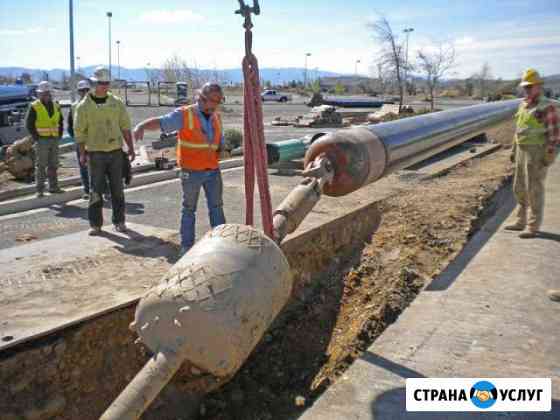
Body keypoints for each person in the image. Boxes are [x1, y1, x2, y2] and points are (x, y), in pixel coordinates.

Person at [133, 82, 226, 255]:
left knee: (217, 207)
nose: (216, 105)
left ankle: (220, 245)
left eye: (219, 101)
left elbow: (219, 139)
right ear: (203, 98)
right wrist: (142, 126)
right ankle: (186, 247)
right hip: (191, 172)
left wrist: (221, 148)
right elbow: (162, 123)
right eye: (214, 101)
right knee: (189, 209)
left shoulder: (216, 116)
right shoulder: (185, 114)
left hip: (212, 170)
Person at [74, 66, 135, 235]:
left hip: (115, 152)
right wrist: (82, 153)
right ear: (94, 83)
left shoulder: (116, 103)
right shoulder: (83, 107)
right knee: (96, 190)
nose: (104, 86)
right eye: (101, 83)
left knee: (117, 189)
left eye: (106, 83)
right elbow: (80, 133)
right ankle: (95, 224)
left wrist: (130, 147)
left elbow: (125, 126)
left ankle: (119, 221)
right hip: (95, 154)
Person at [504, 68, 559, 239]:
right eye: (525, 87)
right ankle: (520, 221)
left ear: (538, 86)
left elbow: (555, 134)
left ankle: (532, 226)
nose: (527, 89)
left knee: (534, 189)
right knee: (519, 187)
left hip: (537, 152)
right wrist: (514, 149)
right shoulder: (523, 104)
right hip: (522, 149)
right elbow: (518, 129)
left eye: (530, 86)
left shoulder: (546, 107)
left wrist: (549, 155)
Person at [25, 81, 64, 197]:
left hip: (54, 139)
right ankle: (40, 190)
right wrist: (37, 138)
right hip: (42, 140)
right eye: (43, 93)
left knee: (54, 164)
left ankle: (54, 187)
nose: (46, 95)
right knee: (41, 165)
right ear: (39, 94)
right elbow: (29, 124)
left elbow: (60, 121)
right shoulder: (34, 106)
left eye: (47, 93)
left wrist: (59, 135)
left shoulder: (56, 105)